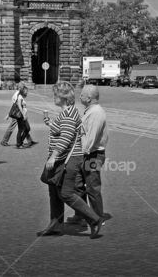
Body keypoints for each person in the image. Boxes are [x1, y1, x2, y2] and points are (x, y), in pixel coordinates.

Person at [36, 81, 102, 238]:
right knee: (53, 190)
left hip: (69, 159)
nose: (54, 98)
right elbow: (63, 130)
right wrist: (51, 124)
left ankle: (94, 219)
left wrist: (53, 156)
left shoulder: (68, 114)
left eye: (55, 95)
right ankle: (55, 225)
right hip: (65, 158)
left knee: (65, 193)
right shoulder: (68, 112)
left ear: (63, 97)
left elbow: (66, 137)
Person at [67, 85, 112, 228]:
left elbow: (91, 138)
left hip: (92, 155)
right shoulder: (90, 111)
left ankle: (98, 218)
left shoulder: (96, 113)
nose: (79, 97)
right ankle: (81, 215)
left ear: (89, 98)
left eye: (81, 95)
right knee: (77, 185)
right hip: (86, 154)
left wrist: (79, 155)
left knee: (93, 187)